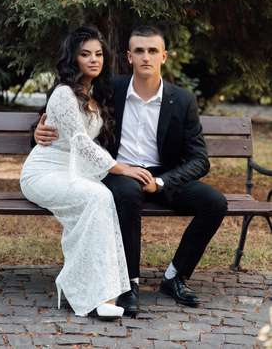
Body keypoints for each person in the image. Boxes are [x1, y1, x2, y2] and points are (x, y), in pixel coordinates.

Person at [34, 25, 228, 313]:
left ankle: (175, 277)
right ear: (129, 56)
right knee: (126, 192)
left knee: (215, 202)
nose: (146, 57)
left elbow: (200, 160)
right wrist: (38, 128)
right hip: (119, 173)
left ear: (164, 56)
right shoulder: (110, 88)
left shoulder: (183, 100)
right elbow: (70, 111)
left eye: (152, 51)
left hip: (162, 175)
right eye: (139, 51)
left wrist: (161, 182)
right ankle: (129, 283)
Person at [20, 24, 157, 320]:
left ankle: (105, 294)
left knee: (102, 198)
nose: (94, 60)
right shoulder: (63, 93)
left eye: (98, 54)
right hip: (44, 172)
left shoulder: (94, 92)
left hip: (73, 172)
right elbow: (80, 141)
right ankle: (86, 289)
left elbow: (84, 138)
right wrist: (124, 169)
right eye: (85, 54)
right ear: (73, 59)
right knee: (98, 196)